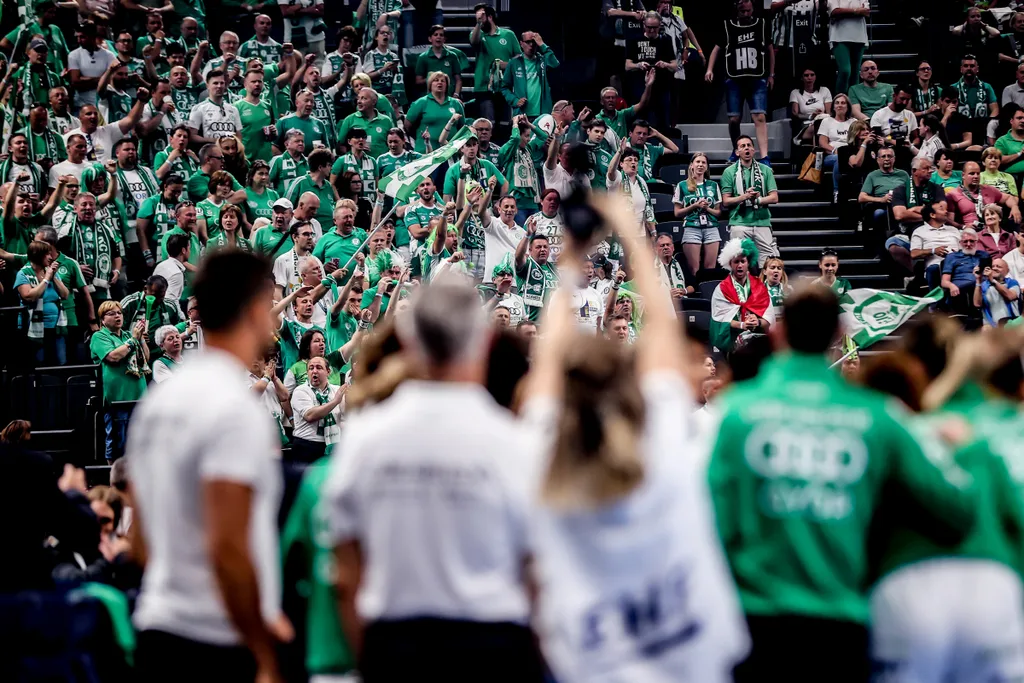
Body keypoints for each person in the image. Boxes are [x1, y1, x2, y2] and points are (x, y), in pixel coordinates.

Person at [518, 193, 749, 683]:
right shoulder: (664, 432)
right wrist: (629, 230)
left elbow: (550, 357)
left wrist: (570, 260)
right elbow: (663, 329)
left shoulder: (544, 448)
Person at [709, 285, 979, 683]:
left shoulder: (734, 412)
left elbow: (708, 519)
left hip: (752, 620)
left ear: (778, 333)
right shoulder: (879, 417)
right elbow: (957, 510)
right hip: (843, 624)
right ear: (839, 333)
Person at [323, 279, 545, 681]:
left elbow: (347, 569)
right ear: (482, 341)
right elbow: (535, 571)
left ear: (408, 340)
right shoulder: (513, 442)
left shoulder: (366, 438)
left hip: (395, 643)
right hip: (493, 642)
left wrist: (370, 654)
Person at [128, 250, 288, 683]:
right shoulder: (235, 409)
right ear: (256, 310)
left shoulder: (159, 402)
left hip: (158, 626)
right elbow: (228, 546)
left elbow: (140, 540)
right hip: (217, 641)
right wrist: (260, 646)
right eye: (271, 306)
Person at [705, 0, 774, 163]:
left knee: (760, 116)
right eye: (743, 11)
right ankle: (736, 150)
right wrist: (709, 69)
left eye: (749, 11)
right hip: (735, 78)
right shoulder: (728, 26)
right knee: (734, 119)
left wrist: (771, 74)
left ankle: (764, 156)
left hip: (757, 78)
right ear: (737, 11)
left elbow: (770, 50)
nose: (746, 14)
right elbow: (717, 48)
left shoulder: (761, 25)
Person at [90, 300, 148, 461]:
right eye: (112, 313)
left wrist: (141, 338)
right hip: (118, 399)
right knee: (118, 443)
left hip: (139, 396)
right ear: (102, 319)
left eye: (119, 313)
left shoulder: (128, 334)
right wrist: (133, 341)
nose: (117, 316)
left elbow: (146, 358)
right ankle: (114, 480)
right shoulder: (99, 336)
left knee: (140, 444)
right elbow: (113, 356)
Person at [708, 237, 775, 354]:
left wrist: (757, 322)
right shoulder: (721, 289)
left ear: (748, 263)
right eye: (736, 261)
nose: (739, 265)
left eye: (742, 261)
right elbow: (719, 321)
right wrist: (741, 325)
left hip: (756, 342)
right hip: (732, 343)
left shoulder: (759, 287)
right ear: (730, 263)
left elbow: (769, 318)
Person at [720, 135, 779, 267]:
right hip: (739, 222)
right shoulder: (729, 172)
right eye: (743, 146)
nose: (746, 148)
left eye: (749, 145)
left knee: (769, 262)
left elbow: (774, 197)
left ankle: (765, 287)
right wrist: (744, 197)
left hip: (762, 222)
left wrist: (757, 200)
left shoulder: (766, 170)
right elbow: (726, 201)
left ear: (753, 150)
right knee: (738, 262)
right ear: (737, 152)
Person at [15, 239, 69, 365]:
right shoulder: (23, 274)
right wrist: (46, 280)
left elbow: (65, 294)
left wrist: (53, 277)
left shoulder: (50, 272)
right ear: (37, 255)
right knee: (39, 363)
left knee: (60, 361)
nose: (51, 257)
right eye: (47, 254)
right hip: (32, 328)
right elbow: (29, 297)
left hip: (55, 327)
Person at [624, 12, 677, 131]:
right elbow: (627, 65)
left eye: (655, 27)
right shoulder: (634, 39)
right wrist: (638, 64)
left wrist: (665, 64)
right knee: (640, 119)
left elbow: (674, 66)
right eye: (649, 27)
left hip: (661, 86)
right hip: (640, 86)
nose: (652, 30)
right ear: (644, 25)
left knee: (662, 121)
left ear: (660, 26)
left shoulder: (666, 40)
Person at [889, 156, 943, 274]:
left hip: (934, 232)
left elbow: (942, 211)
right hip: (909, 233)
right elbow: (899, 215)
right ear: (914, 171)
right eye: (926, 168)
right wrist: (928, 214)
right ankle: (917, 273)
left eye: (931, 168)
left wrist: (915, 209)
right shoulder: (901, 190)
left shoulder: (936, 189)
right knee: (892, 245)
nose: (930, 171)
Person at [673, 151, 723, 276]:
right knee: (693, 269)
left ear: (706, 167)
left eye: (703, 162)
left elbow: (718, 212)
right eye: (698, 162)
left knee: (710, 268)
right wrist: (694, 205)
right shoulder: (682, 185)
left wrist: (707, 209)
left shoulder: (713, 185)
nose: (700, 165)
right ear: (691, 165)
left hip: (711, 227)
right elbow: (677, 213)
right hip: (691, 226)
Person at [470, 3, 521, 123]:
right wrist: (478, 23)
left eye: (482, 16)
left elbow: (519, 59)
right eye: (477, 17)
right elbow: (474, 41)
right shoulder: (477, 33)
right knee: (488, 124)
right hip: (483, 88)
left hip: (505, 88)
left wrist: (507, 65)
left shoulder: (508, 35)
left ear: (490, 17)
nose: (479, 19)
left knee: (504, 124)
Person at [499, 30, 560, 119]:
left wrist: (542, 44)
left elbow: (555, 65)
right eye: (528, 42)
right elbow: (504, 87)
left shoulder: (542, 60)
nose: (531, 45)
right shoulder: (514, 63)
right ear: (521, 44)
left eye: (534, 42)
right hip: (522, 113)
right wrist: (515, 101)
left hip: (542, 113)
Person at [946, 161, 1020, 229]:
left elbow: (1008, 198)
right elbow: (949, 221)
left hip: (992, 229)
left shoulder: (988, 189)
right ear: (963, 175)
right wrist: (963, 226)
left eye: (978, 173)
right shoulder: (953, 195)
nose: (976, 176)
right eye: (972, 173)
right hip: (970, 233)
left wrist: (1014, 207)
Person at [406, 72, 465, 155]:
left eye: (442, 81)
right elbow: (408, 126)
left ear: (447, 85)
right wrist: (421, 137)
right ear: (430, 84)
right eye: (436, 80)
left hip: (450, 152)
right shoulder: (421, 102)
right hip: (425, 151)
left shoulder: (456, 104)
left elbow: (462, 129)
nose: (439, 82)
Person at [910, 198, 962, 290]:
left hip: (957, 264)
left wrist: (957, 254)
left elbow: (963, 248)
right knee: (934, 269)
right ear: (932, 215)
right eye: (941, 209)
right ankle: (936, 302)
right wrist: (934, 250)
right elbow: (914, 253)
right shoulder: (920, 231)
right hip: (936, 267)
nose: (946, 211)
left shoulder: (953, 230)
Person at [952, 54, 999, 147]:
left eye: (972, 66)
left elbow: (995, 109)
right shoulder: (953, 88)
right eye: (966, 66)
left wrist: (988, 123)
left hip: (982, 125)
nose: (969, 68)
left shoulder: (987, 87)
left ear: (977, 69)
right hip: (961, 126)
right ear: (961, 69)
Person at [827, 0, 870, 96]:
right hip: (839, 36)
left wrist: (845, 12)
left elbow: (866, 11)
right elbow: (834, 12)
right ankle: (840, 100)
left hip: (859, 36)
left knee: (855, 73)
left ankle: (854, 103)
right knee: (845, 71)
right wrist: (855, 11)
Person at [942, 227, 988, 315]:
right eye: (965, 241)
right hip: (961, 288)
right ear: (960, 243)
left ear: (976, 242)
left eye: (972, 241)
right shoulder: (952, 257)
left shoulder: (984, 255)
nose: (968, 244)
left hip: (982, 286)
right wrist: (951, 286)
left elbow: (990, 273)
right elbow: (944, 281)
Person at [414, 25, 469, 98]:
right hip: (430, 98)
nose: (438, 37)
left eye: (441, 35)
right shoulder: (423, 57)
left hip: (449, 97)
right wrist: (431, 78)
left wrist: (456, 94)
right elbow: (418, 81)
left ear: (444, 39)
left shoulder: (452, 56)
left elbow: (458, 80)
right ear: (430, 39)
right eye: (435, 34)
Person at [974, 257, 1021, 326]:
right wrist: (978, 280)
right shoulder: (983, 285)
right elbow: (977, 304)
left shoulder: (1012, 282)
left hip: (1011, 326)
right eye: (992, 266)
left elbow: (1010, 296)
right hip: (991, 327)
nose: (994, 268)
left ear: (1007, 271)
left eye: (999, 267)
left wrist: (992, 280)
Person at [789, 68, 832, 145]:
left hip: (824, 120)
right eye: (806, 75)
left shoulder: (824, 90)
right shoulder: (795, 92)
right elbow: (795, 113)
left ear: (816, 77)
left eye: (812, 75)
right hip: (806, 124)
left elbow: (830, 113)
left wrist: (822, 115)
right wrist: (811, 116)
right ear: (802, 78)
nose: (809, 77)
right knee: (819, 125)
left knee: (824, 123)